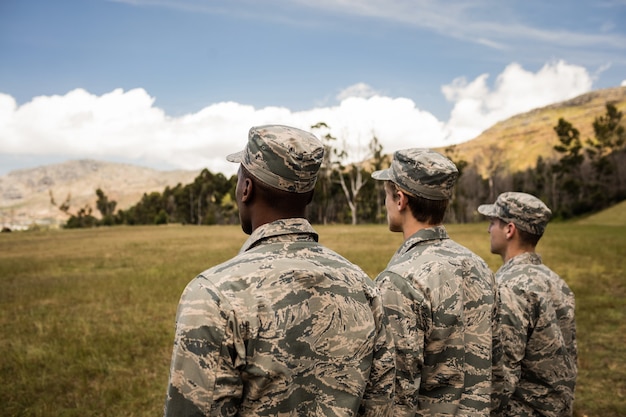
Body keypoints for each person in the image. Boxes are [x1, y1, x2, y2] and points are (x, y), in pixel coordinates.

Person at [164, 124, 395, 417]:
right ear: (309, 196)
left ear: (246, 189)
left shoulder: (213, 294)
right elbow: (383, 406)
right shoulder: (363, 286)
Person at [371, 148, 501, 416]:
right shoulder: (478, 265)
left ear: (400, 199)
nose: (385, 203)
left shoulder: (398, 280)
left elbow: (395, 394)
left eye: (386, 194)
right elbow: (498, 362)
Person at [477, 192, 577, 416]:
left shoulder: (510, 287)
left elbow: (500, 374)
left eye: (493, 222)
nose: (488, 229)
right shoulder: (556, 282)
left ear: (509, 229)